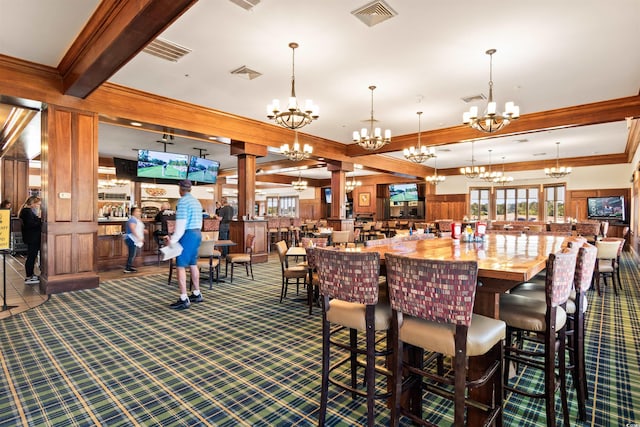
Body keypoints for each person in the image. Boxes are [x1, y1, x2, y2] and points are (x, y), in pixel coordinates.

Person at [166, 179, 203, 310]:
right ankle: (196, 293)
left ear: (180, 188)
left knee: (180, 265)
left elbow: (181, 226)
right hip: (197, 233)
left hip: (187, 235)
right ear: (190, 189)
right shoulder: (196, 202)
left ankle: (183, 298)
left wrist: (173, 240)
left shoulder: (182, 202)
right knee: (193, 264)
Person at [19, 196, 42, 284]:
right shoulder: (27, 212)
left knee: (32, 256)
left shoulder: (26, 211)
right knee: (31, 257)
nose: (38, 206)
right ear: (32, 203)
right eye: (37, 204)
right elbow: (31, 224)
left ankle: (31, 274)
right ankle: (29, 276)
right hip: (32, 237)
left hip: (31, 237)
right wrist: (40, 220)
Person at [124, 206, 144, 273]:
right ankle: (128, 267)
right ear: (133, 212)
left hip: (132, 238)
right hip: (131, 239)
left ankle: (129, 266)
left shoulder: (135, 219)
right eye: (137, 211)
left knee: (132, 254)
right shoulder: (132, 220)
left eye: (139, 211)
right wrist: (138, 237)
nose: (139, 213)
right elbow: (133, 229)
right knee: (132, 254)